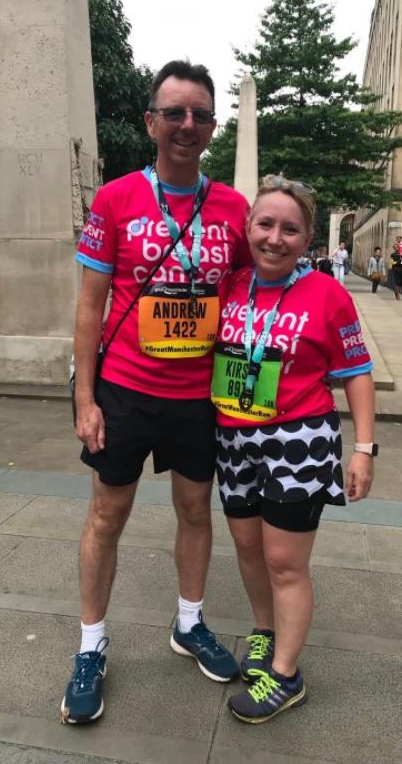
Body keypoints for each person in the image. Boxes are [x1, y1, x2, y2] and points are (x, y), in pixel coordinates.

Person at [62, 60, 251, 724]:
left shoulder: (233, 209)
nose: (186, 124)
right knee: (106, 515)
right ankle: (91, 645)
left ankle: (189, 623)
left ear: (212, 127)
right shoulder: (115, 200)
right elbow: (89, 307)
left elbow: (247, 300)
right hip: (125, 390)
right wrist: (85, 399)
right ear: (151, 122)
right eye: (174, 112)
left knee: (196, 510)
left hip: (199, 396)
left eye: (199, 114)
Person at [211, 175, 376, 724]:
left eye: (290, 229)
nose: (275, 238)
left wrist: (364, 449)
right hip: (233, 438)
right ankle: (265, 630)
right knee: (248, 548)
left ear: (307, 239)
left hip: (298, 439)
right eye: (265, 224)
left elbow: (357, 372)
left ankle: (286, 675)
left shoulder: (328, 293)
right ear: (248, 227)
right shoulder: (231, 285)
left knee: (284, 561)